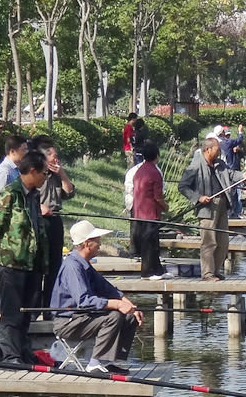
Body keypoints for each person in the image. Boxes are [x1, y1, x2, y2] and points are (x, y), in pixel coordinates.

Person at [49, 220, 143, 362]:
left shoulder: (84, 264)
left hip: (83, 318)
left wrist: (131, 307)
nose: (100, 244)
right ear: (87, 244)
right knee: (114, 316)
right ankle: (97, 362)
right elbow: (84, 301)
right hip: (67, 322)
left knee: (129, 317)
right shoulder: (72, 267)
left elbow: (108, 289)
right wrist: (117, 305)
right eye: (97, 241)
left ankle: (114, 361)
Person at [0, 148, 48, 364]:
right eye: (44, 173)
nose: (45, 178)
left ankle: (23, 350)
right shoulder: (10, 193)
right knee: (11, 312)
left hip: (33, 264)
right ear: (32, 171)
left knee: (28, 310)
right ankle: (10, 355)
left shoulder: (34, 195)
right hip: (12, 262)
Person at [178, 134, 239, 281]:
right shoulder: (195, 165)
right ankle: (207, 274)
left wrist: (245, 175)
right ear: (207, 149)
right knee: (209, 241)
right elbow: (183, 186)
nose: (219, 152)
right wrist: (198, 197)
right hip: (207, 208)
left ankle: (215, 270)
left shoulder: (220, 164)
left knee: (223, 242)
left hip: (222, 205)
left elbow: (231, 174)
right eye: (216, 150)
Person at [29, 134, 74, 311]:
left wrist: (61, 173)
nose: (56, 159)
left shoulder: (56, 174)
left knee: (55, 265)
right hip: (40, 222)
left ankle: (50, 307)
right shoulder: (35, 173)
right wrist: (39, 207)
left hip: (55, 220)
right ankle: (34, 308)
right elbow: (26, 195)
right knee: (39, 264)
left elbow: (69, 191)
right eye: (53, 156)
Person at [130, 141, 166, 278]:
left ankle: (158, 269)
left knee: (148, 242)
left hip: (139, 212)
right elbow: (158, 197)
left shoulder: (138, 171)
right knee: (150, 244)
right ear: (157, 155)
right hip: (150, 213)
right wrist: (165, 206)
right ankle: (147, 272)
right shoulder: (154, 172)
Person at [0, 133, 28, 199]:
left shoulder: (16, 169)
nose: (27, 153)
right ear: (13, 151)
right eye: (24, 150)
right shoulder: (4, 172)